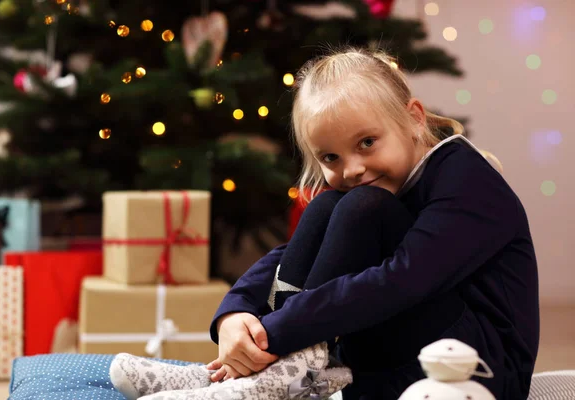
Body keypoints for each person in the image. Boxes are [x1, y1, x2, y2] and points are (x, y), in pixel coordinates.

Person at [110, 47, 539, 400]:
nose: (352, 168)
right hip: (388, 357)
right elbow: (288, 253)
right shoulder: (380, 185)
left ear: (414, 117)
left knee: (360, 205)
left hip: (470, 371)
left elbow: (402, 279)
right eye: (330, 158)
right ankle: (245, 374)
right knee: (329, 206)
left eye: (367, 143)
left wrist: (274, 335)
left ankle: (276, 372)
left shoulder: (466, 179)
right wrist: (236, 314)